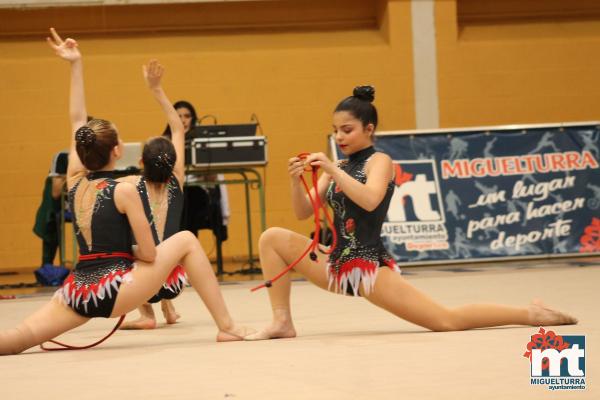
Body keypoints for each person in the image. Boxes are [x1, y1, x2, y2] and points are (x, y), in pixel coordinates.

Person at [245, 86, 578, 340]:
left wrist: (332, 168)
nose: (339, 136)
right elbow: (303, 213)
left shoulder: (380, 162)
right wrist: (294, 182)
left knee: (446, 321)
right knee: (272, 238)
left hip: (367, 269)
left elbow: (370, 200)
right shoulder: (340, 168)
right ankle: (282, 321)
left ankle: (531, 313)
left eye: (347, 129)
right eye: (335, 130)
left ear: (368, 128)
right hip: (335, 264)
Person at [0, 28, 250, 356]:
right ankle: (227, 327)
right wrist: (130, 248)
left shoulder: (74, 180)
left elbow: (77, 121)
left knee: (20, 337)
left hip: (78, 291)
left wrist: (75, 66)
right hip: (119, 288)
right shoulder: (125, 190)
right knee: (187, 240)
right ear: (118, 151)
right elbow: (148, 254)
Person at [118, 60, 187, 330]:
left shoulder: (129, 185)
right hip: (174, 281)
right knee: (165, 246)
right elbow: (178, 127)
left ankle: (147, 315)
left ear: (141, 164)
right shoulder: (177, 180)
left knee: (131, 244)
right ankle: (169, 307)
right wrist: (156, 90)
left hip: (144, 283)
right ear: (173, 165)